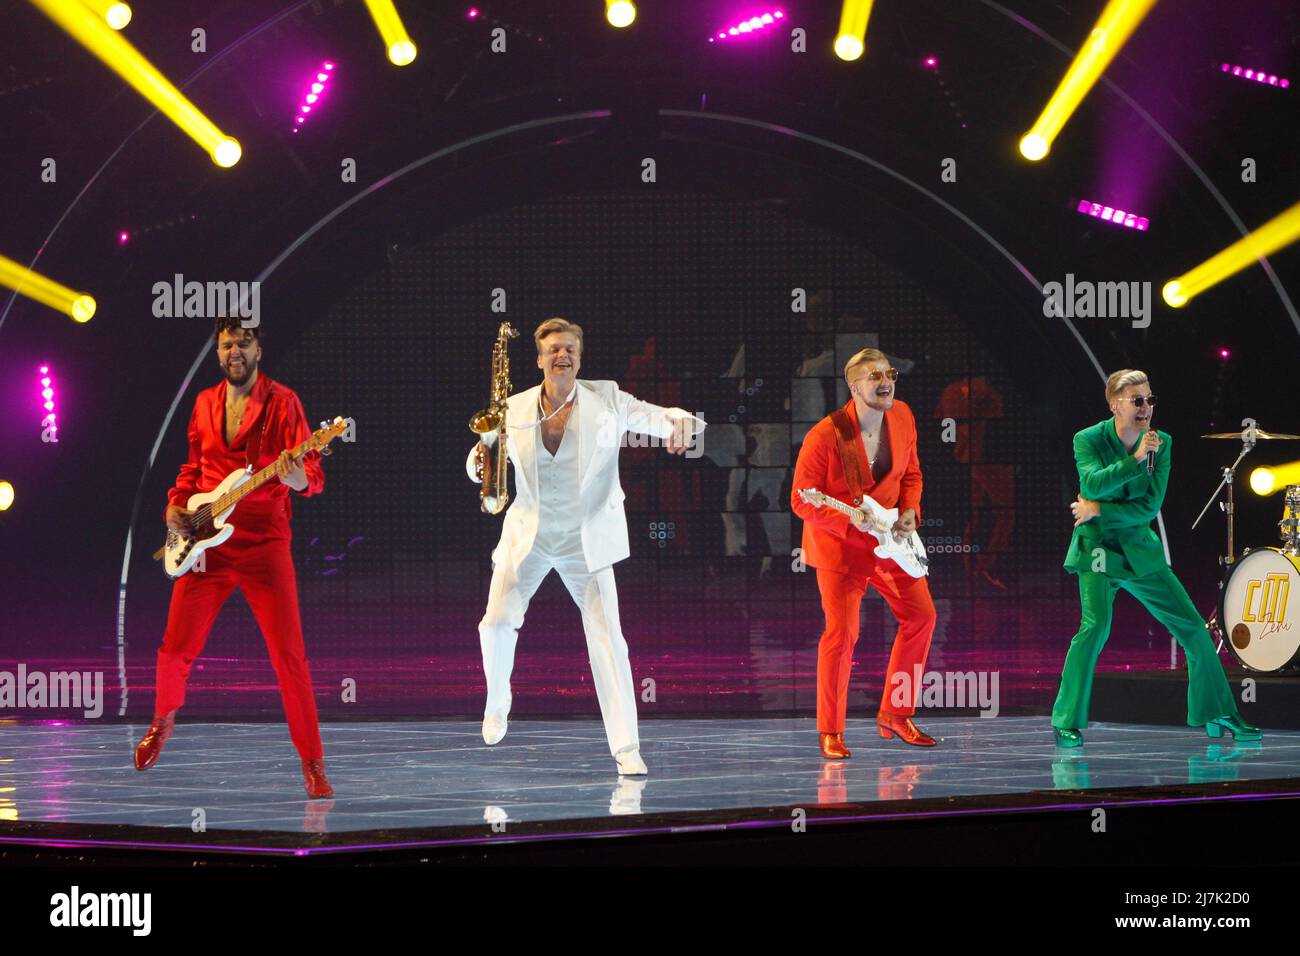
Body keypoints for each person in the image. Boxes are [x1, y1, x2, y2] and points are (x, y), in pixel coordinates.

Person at [467, 318, 704, 775]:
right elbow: (481, 457)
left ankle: (626, 747)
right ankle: (498, 701)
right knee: (495, 624)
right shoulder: (511, 408)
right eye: (554, 349)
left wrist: (683, 424)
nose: (563, 356)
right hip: (528, 535)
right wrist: (478, 464)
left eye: (571, 349)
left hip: (585, 538)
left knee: (609, 640)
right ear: (539, 359)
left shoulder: (607, 399)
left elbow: (655, 415)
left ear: (579, 356)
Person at [133, 316, 334, 798]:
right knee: (175, 647)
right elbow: (191, 468)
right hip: (207, 542)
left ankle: (313, 764)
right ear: (218, 352)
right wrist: (176, 507)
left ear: (258, 350)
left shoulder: (283, 403)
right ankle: (162, 721)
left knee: (289, 657)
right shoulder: (204, 403)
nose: (234, 351)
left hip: (265, 543)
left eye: (243, 343)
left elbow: (313, 476)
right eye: (226, 344)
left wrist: (293, 478)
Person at [1052, 369, 1261, 746]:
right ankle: (1066, 719)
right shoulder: (1088, 440)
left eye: (1150, 399)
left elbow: (1149, 507)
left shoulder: (1162, 442)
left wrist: (1099, 509)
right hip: (1098, 549)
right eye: (1137, 400)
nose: (1146, 407)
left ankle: (1218, 713)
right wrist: (1133, 460)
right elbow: (1091, 484)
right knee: (1095, 627)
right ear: (1115, 404)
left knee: (1194, 628)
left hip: (1138, 549)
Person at [791, 348, 937, 758]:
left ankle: (896, 712)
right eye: (873, 376)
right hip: (841, 548)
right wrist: (846, 521)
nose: (885, 380)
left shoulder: (903, 415)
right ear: (854, 386)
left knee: (922, 617)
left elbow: (912, 473)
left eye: (888, 372)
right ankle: (831, 731)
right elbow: (802, 501)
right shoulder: (825, 434)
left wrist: (910, 510)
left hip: (891, 541)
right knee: (842, 634)